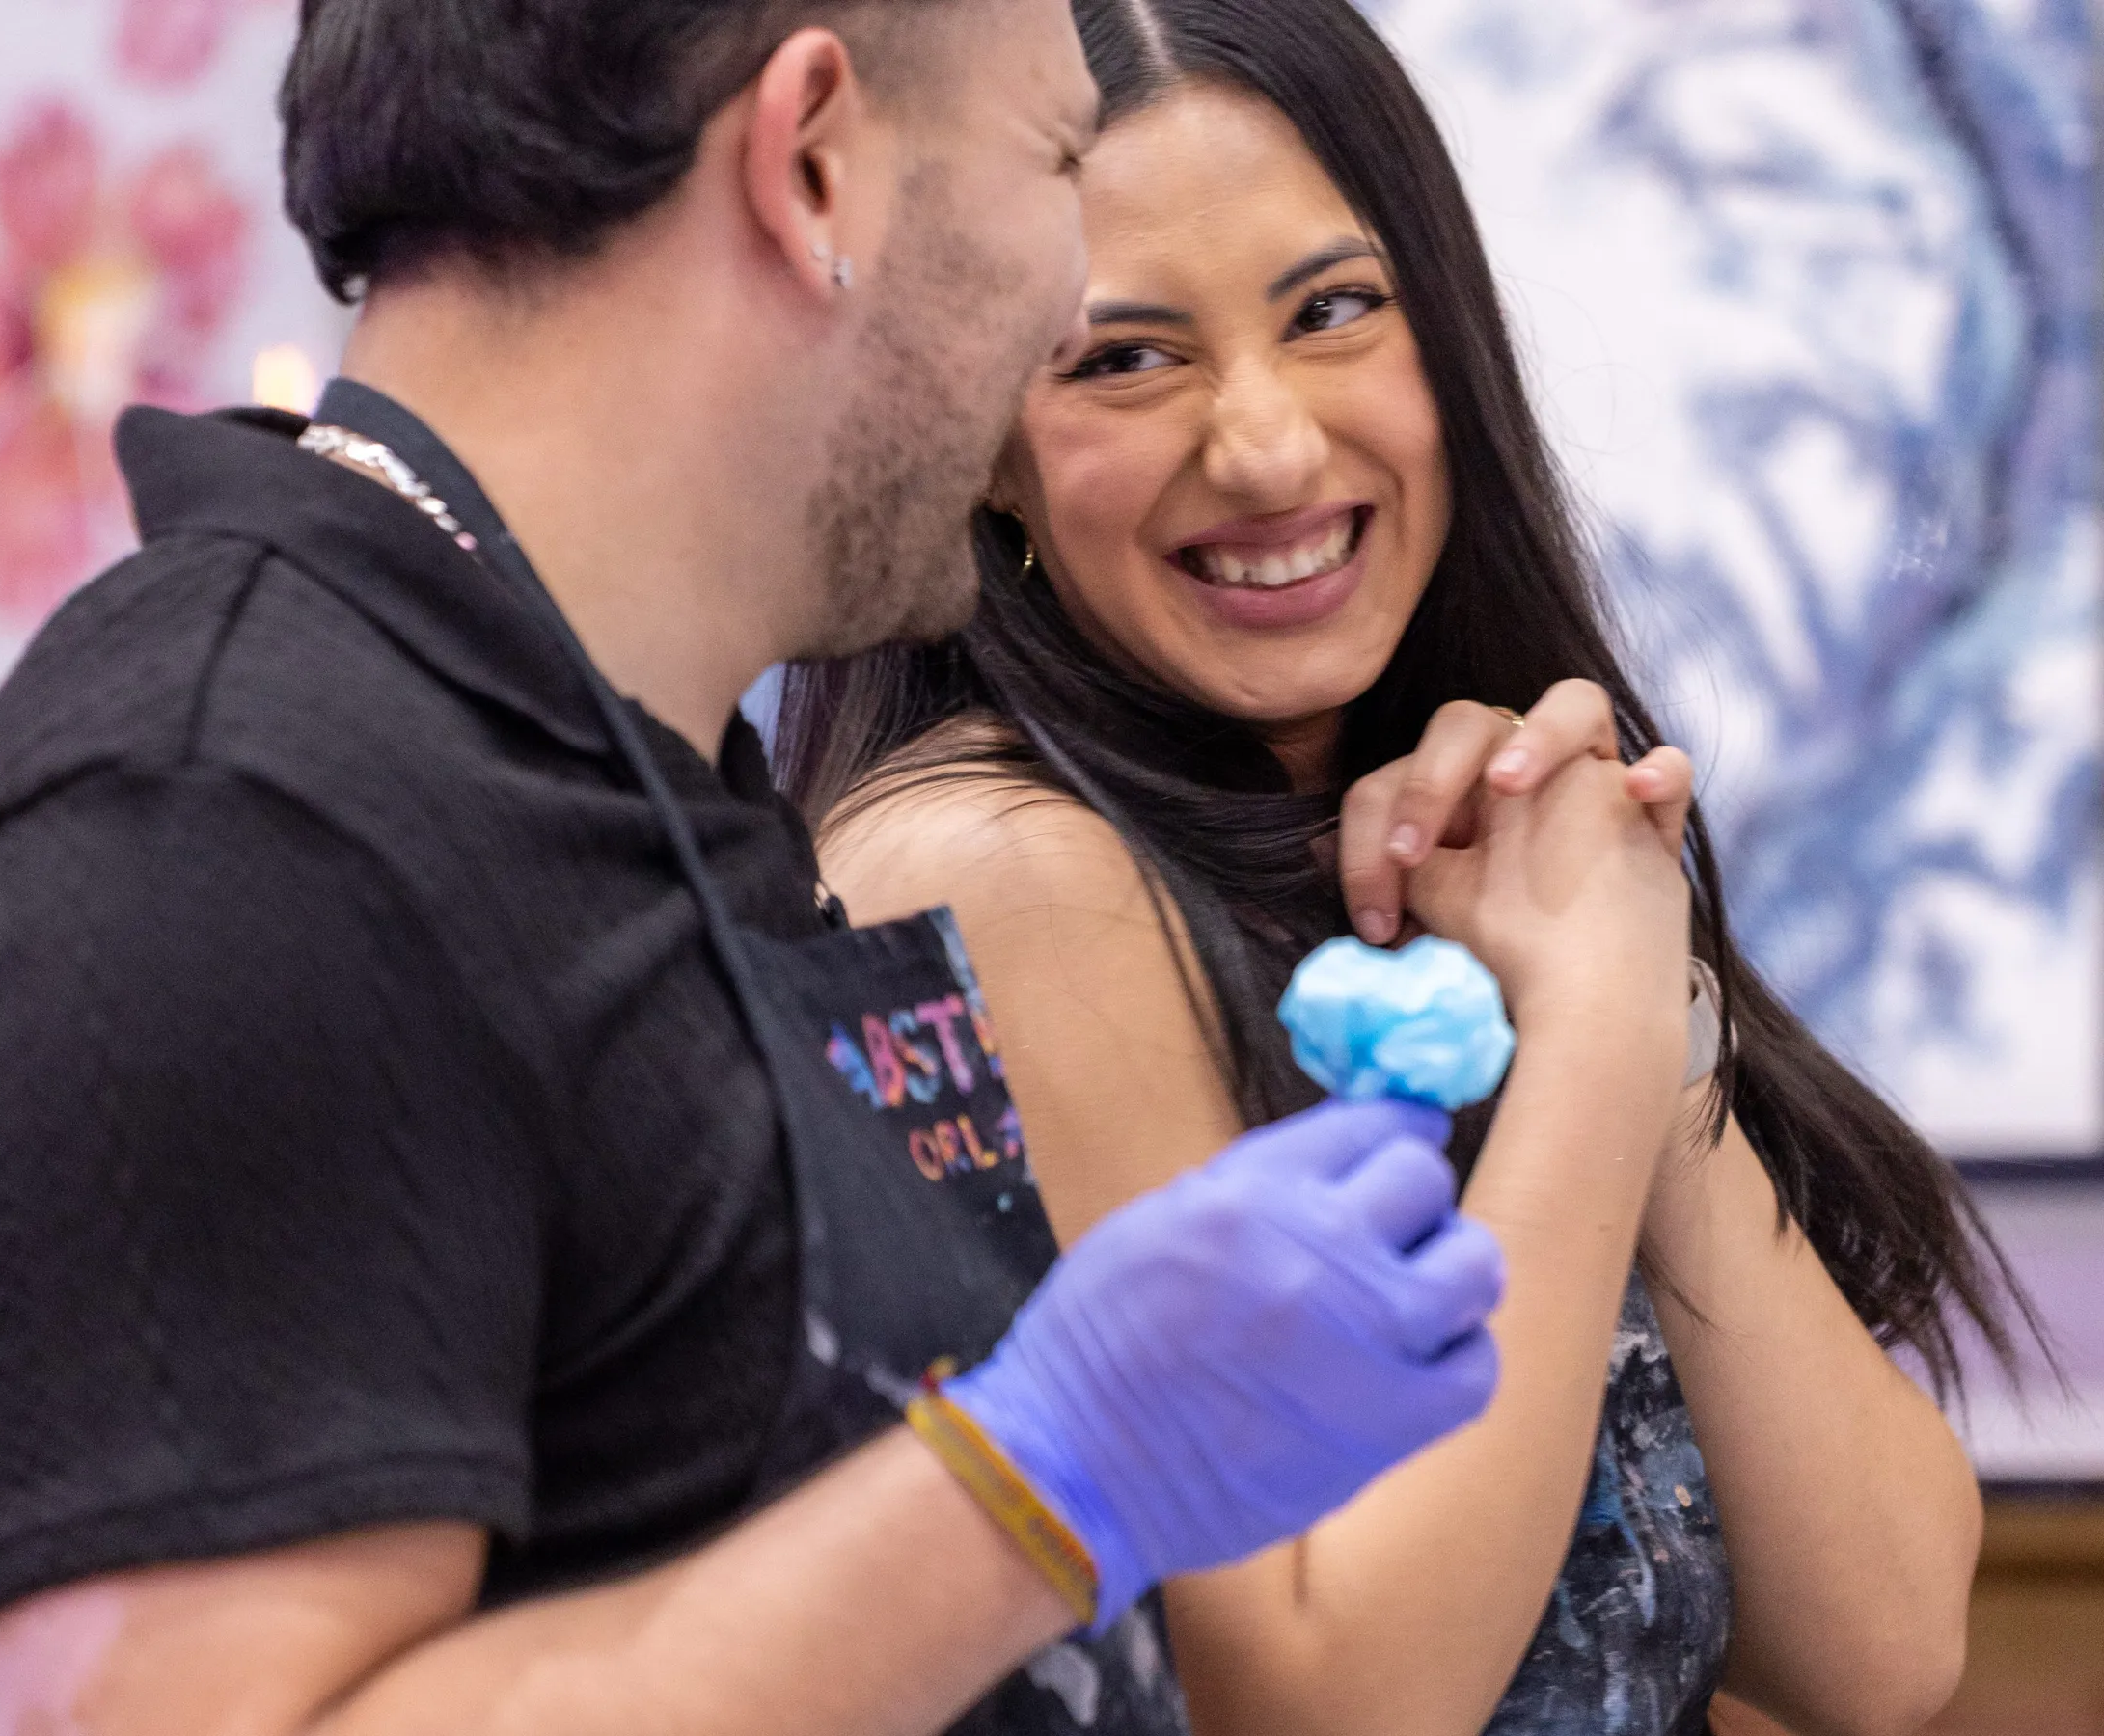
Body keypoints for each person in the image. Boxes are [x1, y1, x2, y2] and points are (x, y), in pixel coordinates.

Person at [0, 2, 1512, 1733]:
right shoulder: (206, 832)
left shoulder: (615, 762)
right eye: (1055, 165)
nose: (1064, 312)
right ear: (811, 165)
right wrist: (1044, 1482)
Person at [776, 2, 2036, 1732]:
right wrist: (1590, 1030)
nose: (1272, 446)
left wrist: (1627, 986)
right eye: (1125, 358)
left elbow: (1886, 1648)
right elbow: (1325, 1706)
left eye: (1335, 311)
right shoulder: (1004, 868)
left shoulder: (1467, 837)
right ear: (985, 436)